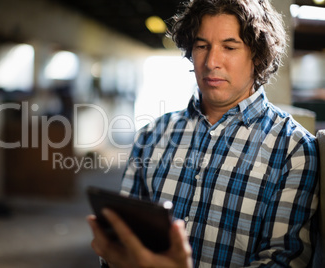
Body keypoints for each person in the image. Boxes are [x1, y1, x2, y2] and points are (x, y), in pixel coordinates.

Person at [87, 0, 319, 267]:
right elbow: (126, 236)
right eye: (201, 46)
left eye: (229, 47)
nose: (211, 62)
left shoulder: (293, 149)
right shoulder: (153, 135)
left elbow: (284, 259)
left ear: (257, 55)